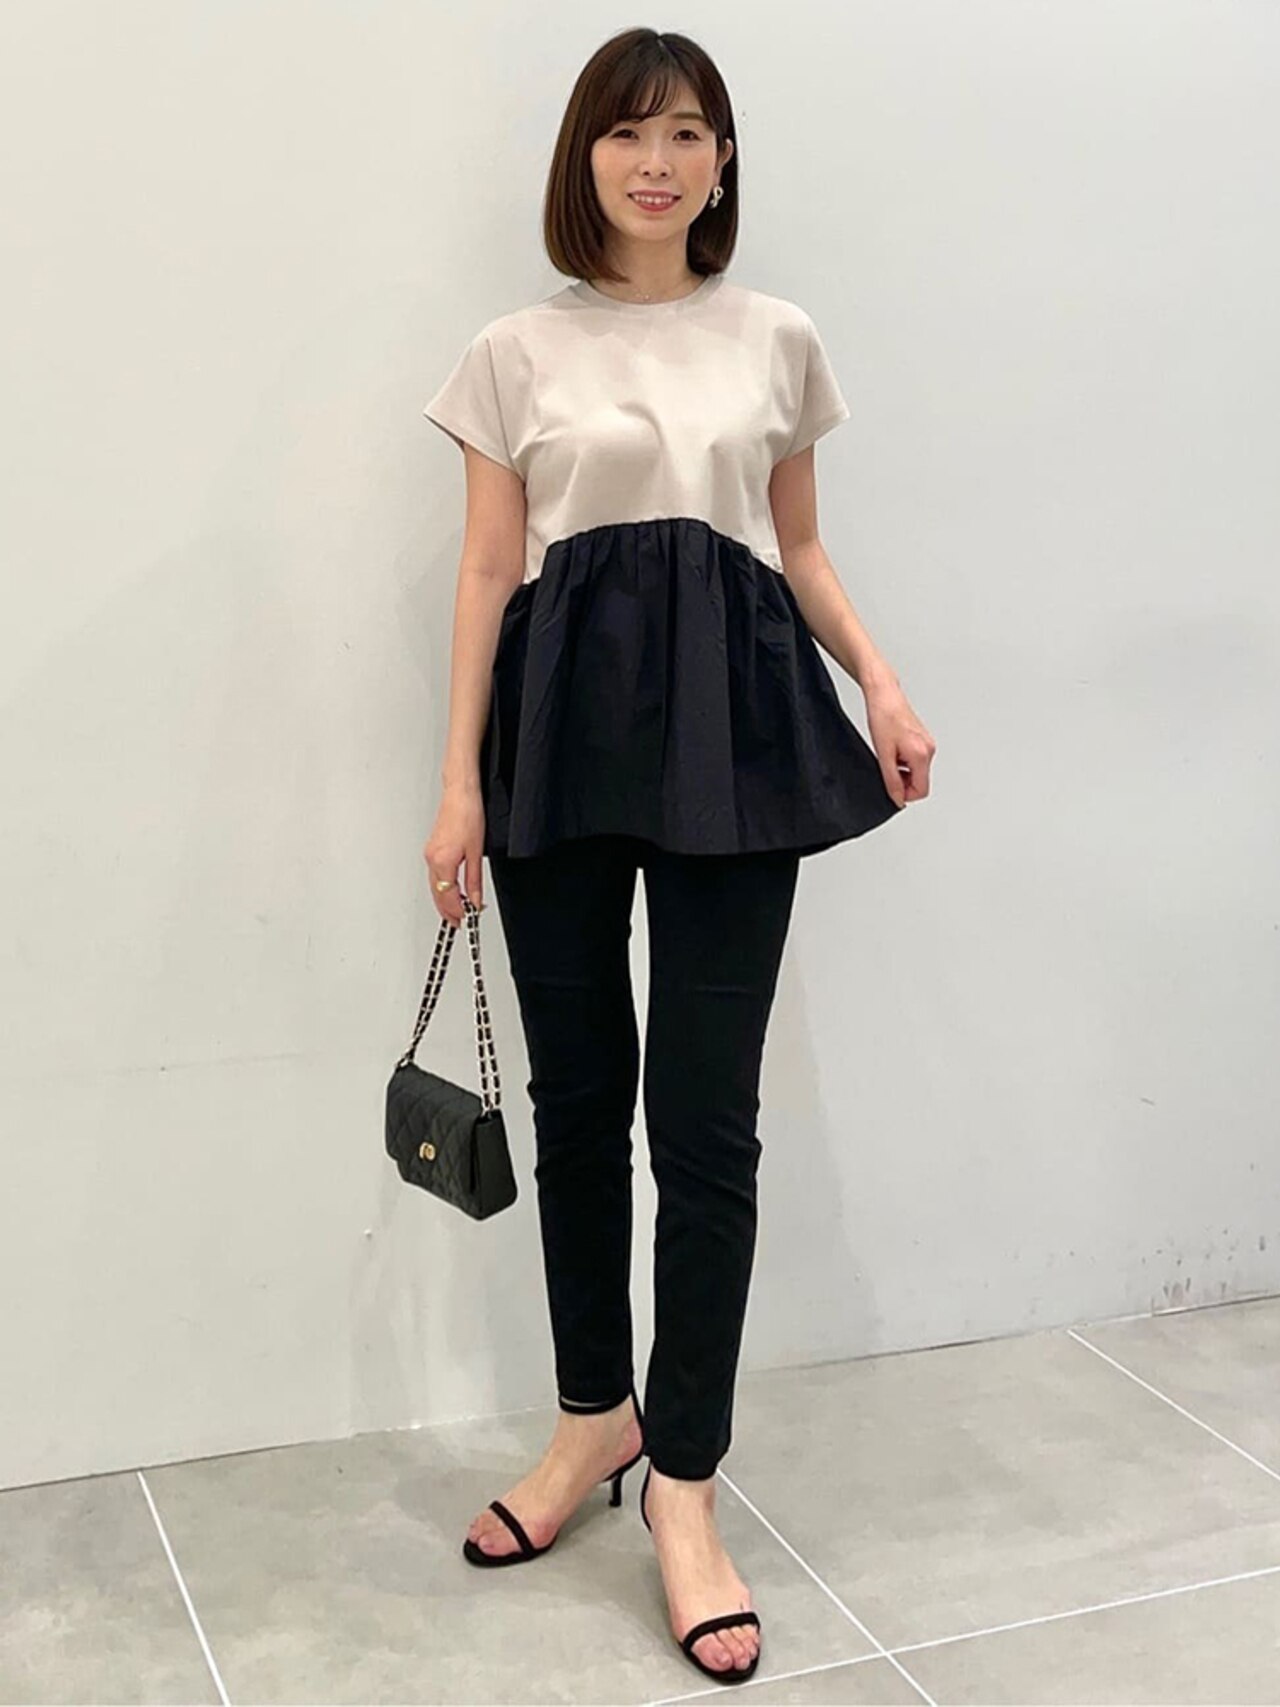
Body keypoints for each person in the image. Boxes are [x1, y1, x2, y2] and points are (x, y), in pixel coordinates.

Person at [419, 26, 936, 1685]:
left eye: (690, 133)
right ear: (583, 156)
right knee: (580, 1102)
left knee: (704, 1123)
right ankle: (594, 1418)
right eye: (629, 133)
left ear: (723, 163)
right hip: (561, 738)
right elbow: (488, 571)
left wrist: (884, 685)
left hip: (738, 734)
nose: (659, 161)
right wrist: (456, 785)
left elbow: (798, 543)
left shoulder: (775, 336)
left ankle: (687, 1486)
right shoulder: (513, 351)